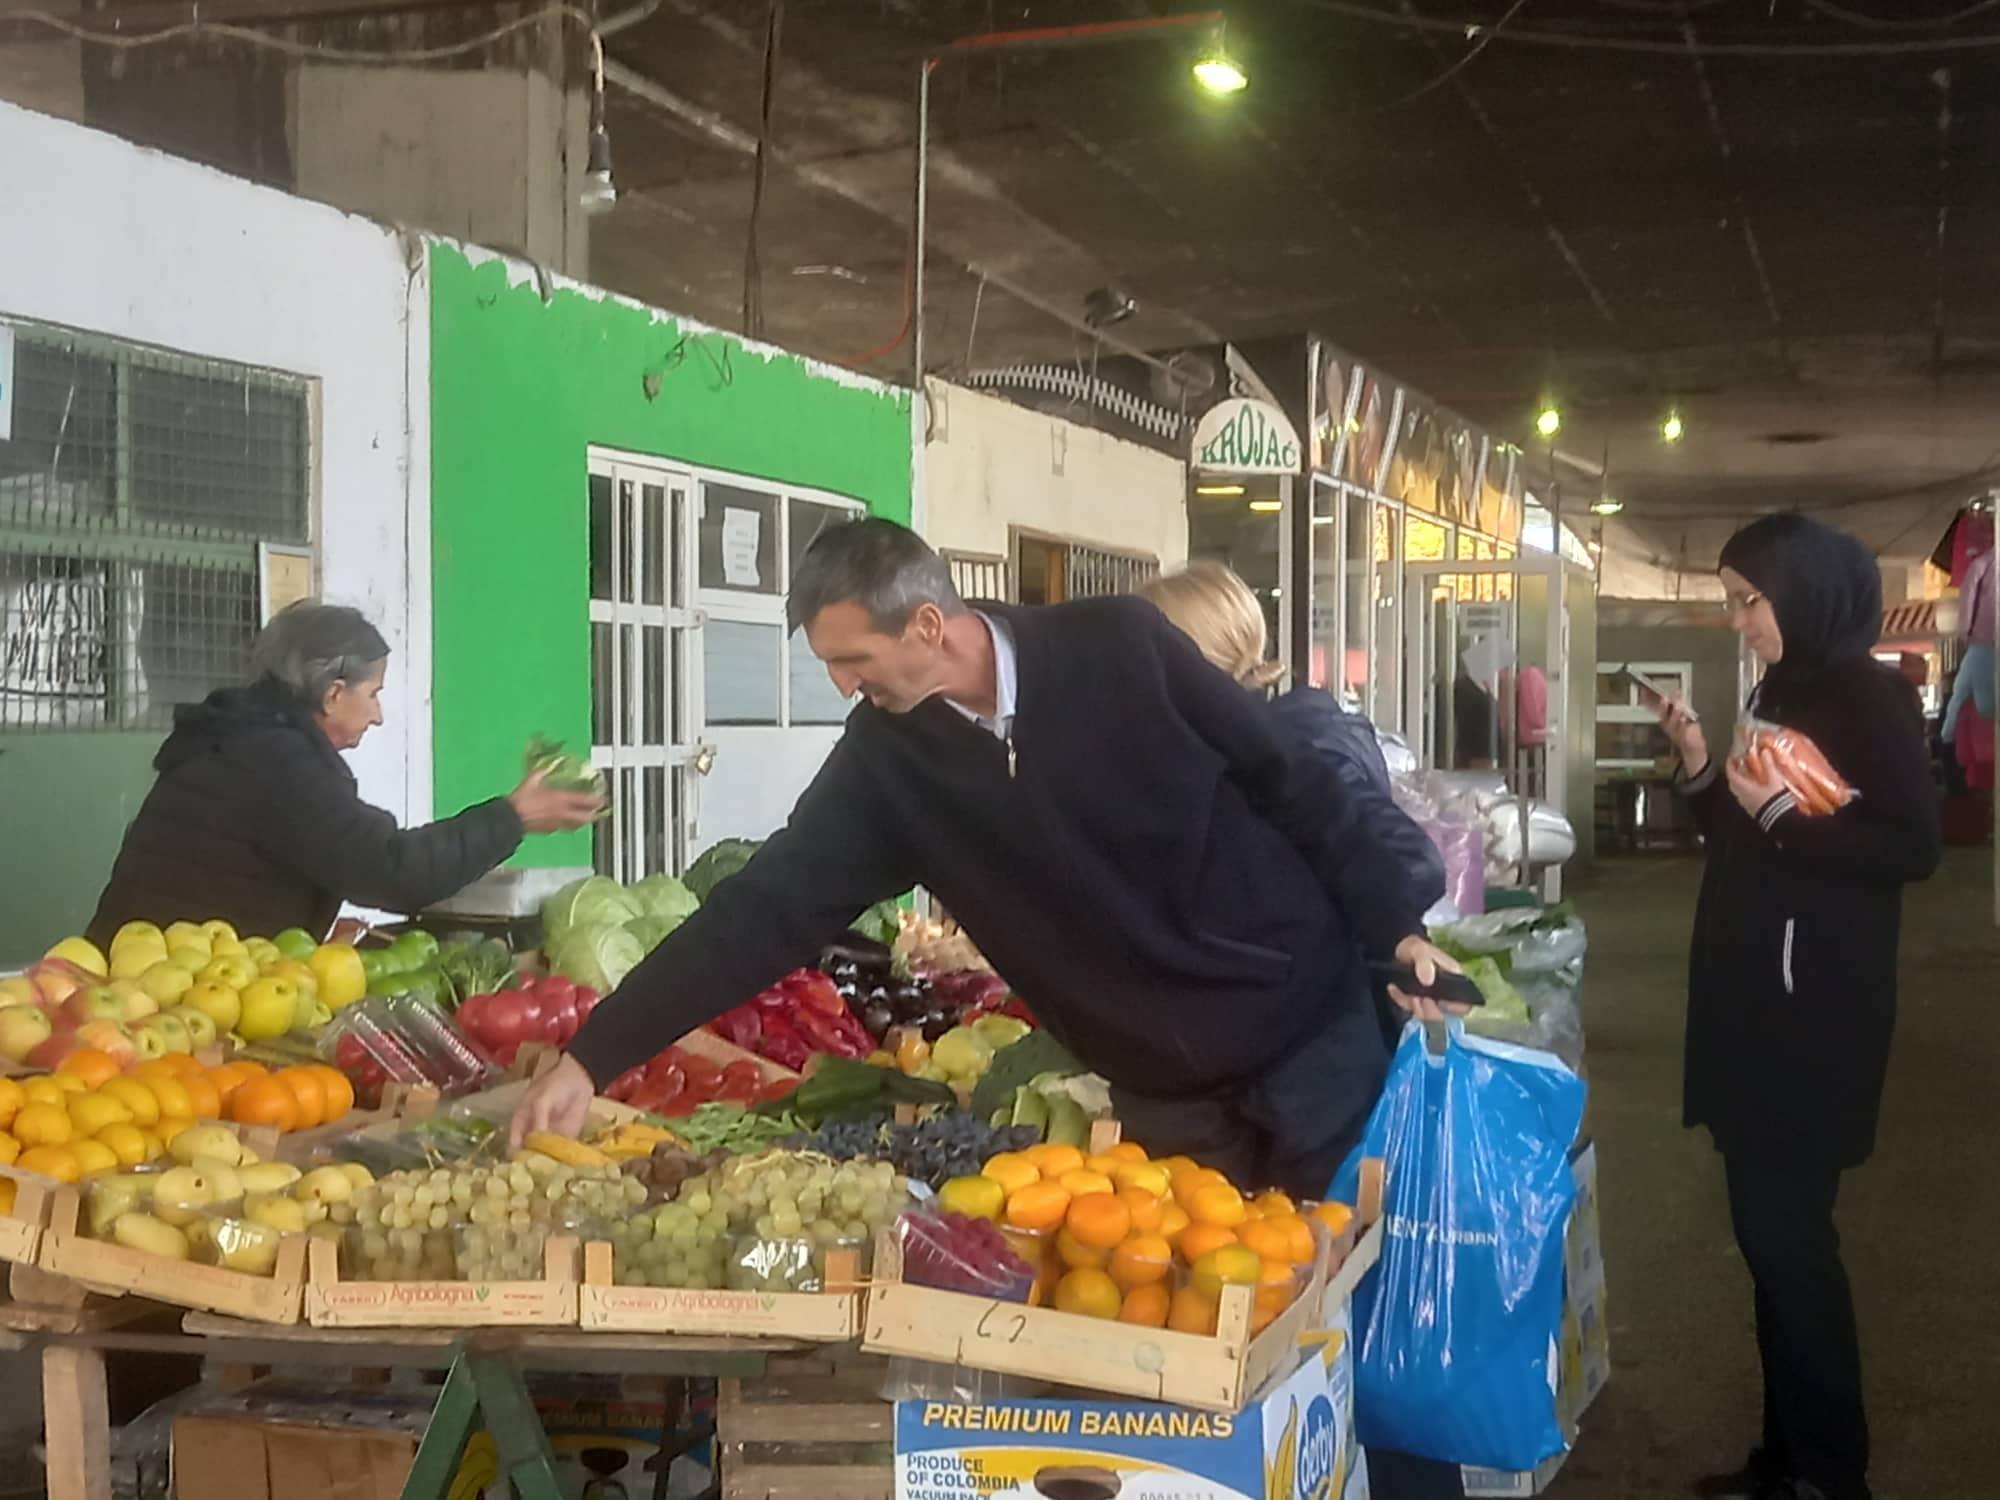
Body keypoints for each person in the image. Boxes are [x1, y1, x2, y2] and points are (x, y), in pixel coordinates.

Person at [513, 517, 1457, 1192]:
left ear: (927, 626)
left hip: (1306, 1033)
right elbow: (760, 912)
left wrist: (1400, 923)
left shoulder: (1116, 649)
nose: (842, 686)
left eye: (854, 661)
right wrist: (591, 1057)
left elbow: (1295, 775)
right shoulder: (888, 767)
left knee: (1367, 1316)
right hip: (1170, 1101)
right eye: (828, 664)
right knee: (1221, 1353)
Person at [1140, 562, 1465, 1500]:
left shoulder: (1294, 745)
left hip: (1316, 1066)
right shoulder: (1235, 744)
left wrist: (1383, 936)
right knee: (1306, 1302)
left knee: (1341, 1302)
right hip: (1284, 1061)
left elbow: (1397, 855)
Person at [1655, 514, 1939, 1500]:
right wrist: (1698, 767)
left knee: (1789, 1247)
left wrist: (1786, 826)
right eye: (1731, 603)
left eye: (1747, 602)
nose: (1738, 624)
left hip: (1809, 1018)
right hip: (1749, 1008)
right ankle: (1783, 1462)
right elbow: (1745, 832)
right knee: (1768, 1247)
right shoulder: (1783, 689)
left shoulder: (1867, 697)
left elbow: (1910, 847)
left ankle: (1829, 1471)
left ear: (1805, 594)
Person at [88, 601, 603, 945]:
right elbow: (392, 870)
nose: (378, 714)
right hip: (165, 1001)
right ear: (334, 694)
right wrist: (513, 817)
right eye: (373, 693)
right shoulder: (277, 760)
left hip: (148, 975)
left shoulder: (235, 736)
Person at [1138, 561, 1445, 934]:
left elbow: (1414, 864)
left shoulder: (1296, 746)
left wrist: (1285, 941)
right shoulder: (1238, 741)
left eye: (1142, 655)